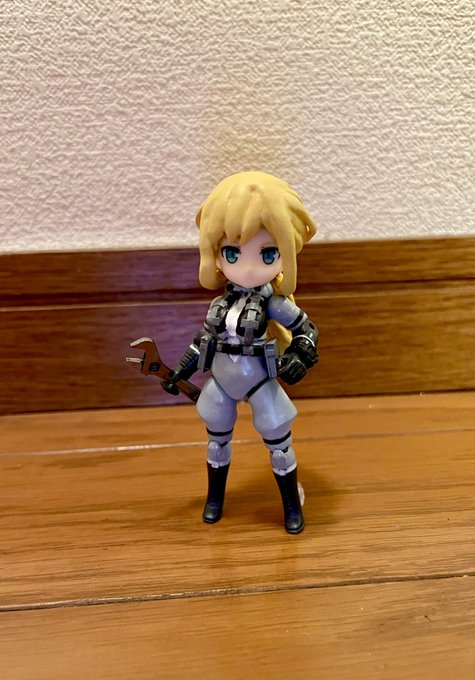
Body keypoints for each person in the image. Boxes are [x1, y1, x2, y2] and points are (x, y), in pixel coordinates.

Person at [162, 171, 319, 534]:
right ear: (216, 255)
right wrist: (181, 371)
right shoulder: (220, 305)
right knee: (216, 443)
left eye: (268, 253)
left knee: (279, 445)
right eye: (232, 253)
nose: (248, 268)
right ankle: (214, 499)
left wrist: (299, 356)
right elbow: (203, 340)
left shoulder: (274, 304)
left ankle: (291, 506)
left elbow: (307, 331)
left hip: (260, 380)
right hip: (222, 380)